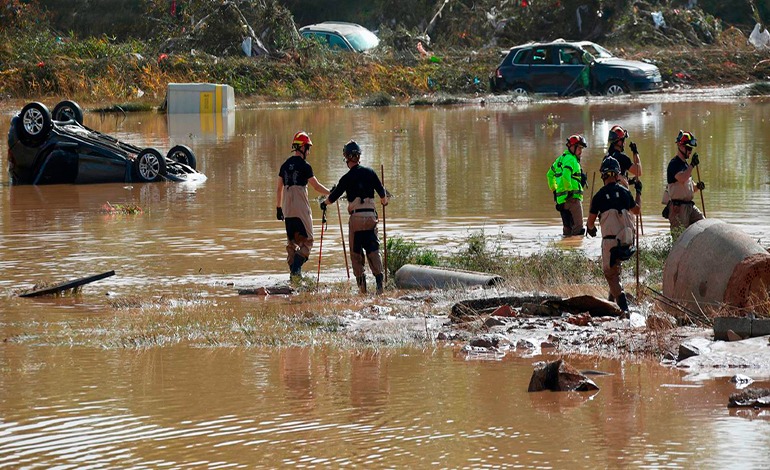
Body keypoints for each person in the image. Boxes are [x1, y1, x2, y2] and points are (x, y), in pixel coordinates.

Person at [322, 140, 388, 294]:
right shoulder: (370, 172)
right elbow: (382, 194)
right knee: (373, 249)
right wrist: (384, 202)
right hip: (371, 217)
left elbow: (332, 198)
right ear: (359, 156)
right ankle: (379, 285)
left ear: (346, 158)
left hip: (356, 219)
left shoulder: (346, 178)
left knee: (356, 253)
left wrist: (323, 204)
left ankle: (362, 289)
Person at [586, 157, 642, 313]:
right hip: (627, 241)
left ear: (603, 175)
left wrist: (591, 229)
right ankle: (612, 303)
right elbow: (637, 210)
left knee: (610, 273)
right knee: (616, 270)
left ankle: (624, 309)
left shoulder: (599, 196)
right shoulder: (625, 192)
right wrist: (638, 192)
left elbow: (590, 223)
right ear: (617, 175)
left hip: (611, 243)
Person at [276, 131, 331, 282]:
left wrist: (278, 208)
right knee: (308, 241)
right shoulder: (305, 166)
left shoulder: (284, 166)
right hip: (300, 208)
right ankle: (296, 270)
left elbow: (279, 188)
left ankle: (295, 278)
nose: (309, 151)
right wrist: (331, 192)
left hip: (287, 209)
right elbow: (316, 186)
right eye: (308, 148)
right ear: (302, 147)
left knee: (292, 243)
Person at [662, 130, 705, 232]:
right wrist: (692, 165)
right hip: (678, 209)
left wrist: (698, 187)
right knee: (680, 236)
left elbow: (690, 187)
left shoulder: (686, 165)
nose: (690, 151)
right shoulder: (674, 164)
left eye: (691, 149)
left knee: (703, 225)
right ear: (680, 146)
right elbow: (682, 178)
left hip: (689, 207)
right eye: (688, 148)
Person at [547, 134, 588, 236]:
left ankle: (566, 245)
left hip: (561, 201)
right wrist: (569, 191)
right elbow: (566, 175)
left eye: (582, 148)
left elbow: (549, 175)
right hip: (572, 199)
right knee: (578, 229)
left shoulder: (560, 160)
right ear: (572, 147)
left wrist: (554, 190)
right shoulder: (571, 159)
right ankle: (575, 245)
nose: (581, 151)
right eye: (579, 148)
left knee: (567, 229)